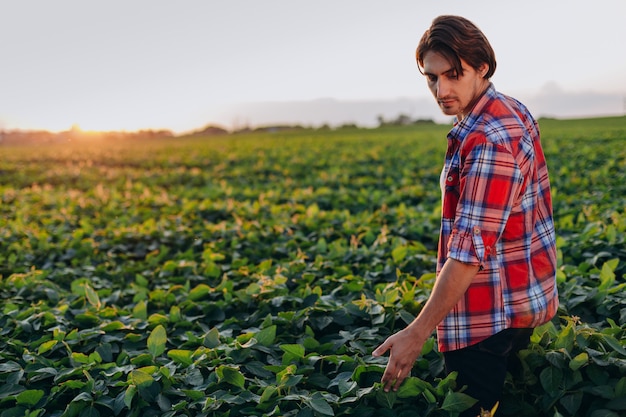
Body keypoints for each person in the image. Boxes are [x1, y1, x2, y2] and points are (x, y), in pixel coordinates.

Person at [372, 15, 559, 416]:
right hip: (521, 298)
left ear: (482, 67)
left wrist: (417, 332)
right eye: (432, 78)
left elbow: (468, 253)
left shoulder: (489, 139)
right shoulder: (509, 110)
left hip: (486, 317)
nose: (442, 89)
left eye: (454, 74)